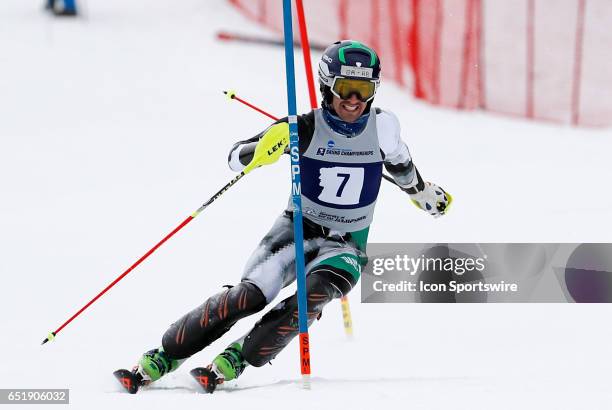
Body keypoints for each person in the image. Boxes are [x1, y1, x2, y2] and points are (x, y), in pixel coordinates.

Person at [115, 40, 452, 394]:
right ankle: (164, 355)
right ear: (327, 85)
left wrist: (422, 193)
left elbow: (401, 166)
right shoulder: (302, 127)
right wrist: (264, 149)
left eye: (364, 89)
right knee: (248, 297)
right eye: (345, 88)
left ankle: (237, 359)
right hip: (296, 230)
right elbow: (234, 157)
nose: (354, 99)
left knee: (312, 297)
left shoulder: (384, 127)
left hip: (347, 244)